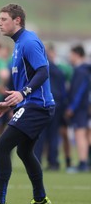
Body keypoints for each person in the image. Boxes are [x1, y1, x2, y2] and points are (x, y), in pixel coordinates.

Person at [0, 4, 55, 204]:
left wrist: (23, 93)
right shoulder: (19, 43)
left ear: (17, 20)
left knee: (2, 146)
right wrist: (12, 101)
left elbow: (43, 72)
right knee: (24, 150)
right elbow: (27, 78)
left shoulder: (28, 41)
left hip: (38, 106)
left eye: (3, 19)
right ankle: (40, 199)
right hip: (31, 105)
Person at [34, 43, 67, 171]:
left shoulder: (38, 69)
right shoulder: (59, 70)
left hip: (42, 104)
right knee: (53, 135)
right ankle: (53, 162)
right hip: (56, 105)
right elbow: (64, 90)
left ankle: (36, 162)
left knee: (40, 135)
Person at [65, 44, 89, 173]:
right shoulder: (83, 70)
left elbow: (79, 91)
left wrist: (72, 107)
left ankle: (82, 163)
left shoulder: (80, 71)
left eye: (71, 54)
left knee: (80, 135)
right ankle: (84, 162)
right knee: (83, 135)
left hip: (80, 108)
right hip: (83, 107)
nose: (69, 57)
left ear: (77, 54)